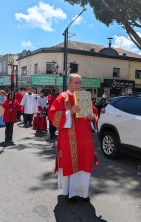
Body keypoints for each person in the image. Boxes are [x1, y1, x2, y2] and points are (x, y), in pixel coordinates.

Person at [49, 73, 98, 203]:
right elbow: (53, 116)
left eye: (79, 83)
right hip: (68, 139)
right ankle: (69, 193)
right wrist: (70, 111)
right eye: (76, 83)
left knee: (84, 163)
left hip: (85, 139)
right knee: (69, 164)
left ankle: (82, 192)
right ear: (69, 83)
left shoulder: (84, 96)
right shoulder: (62, 97)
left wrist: (93, 117)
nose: (78, 85)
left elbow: (93, 113)